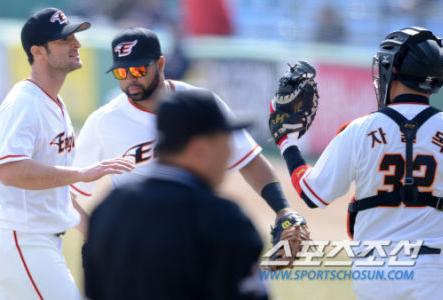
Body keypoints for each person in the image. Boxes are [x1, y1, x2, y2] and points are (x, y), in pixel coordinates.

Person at [269, 26, 443, 299]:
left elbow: (312, 193)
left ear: (393, 69)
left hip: (375, 273)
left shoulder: (360, 129)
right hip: (436, 273)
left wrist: (287, 142)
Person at [70, 26, 299, 231]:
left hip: (196, 229)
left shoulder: (200, 102)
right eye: (121, 72)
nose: (130, 79)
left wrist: (283, 211)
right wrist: (97, 238)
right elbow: (67, 194)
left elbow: (248, 158)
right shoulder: (104, 121)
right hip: (140, 239)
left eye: (138, 70)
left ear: (160, 64)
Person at [0, 8, 133, 300]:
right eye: (64, 39)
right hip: (23, 242)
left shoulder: (55, 102)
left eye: (74, 36)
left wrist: (95, 234)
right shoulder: (23, 103)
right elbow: (10, 171)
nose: (76, 44)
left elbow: (58, 192)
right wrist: (82, 174)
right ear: (38, 52)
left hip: (32, 245)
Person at [85, 89, 268, 299]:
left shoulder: (108, 209)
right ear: (199, 149)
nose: (229, 151)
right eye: (225, 139)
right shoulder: (224, 220)